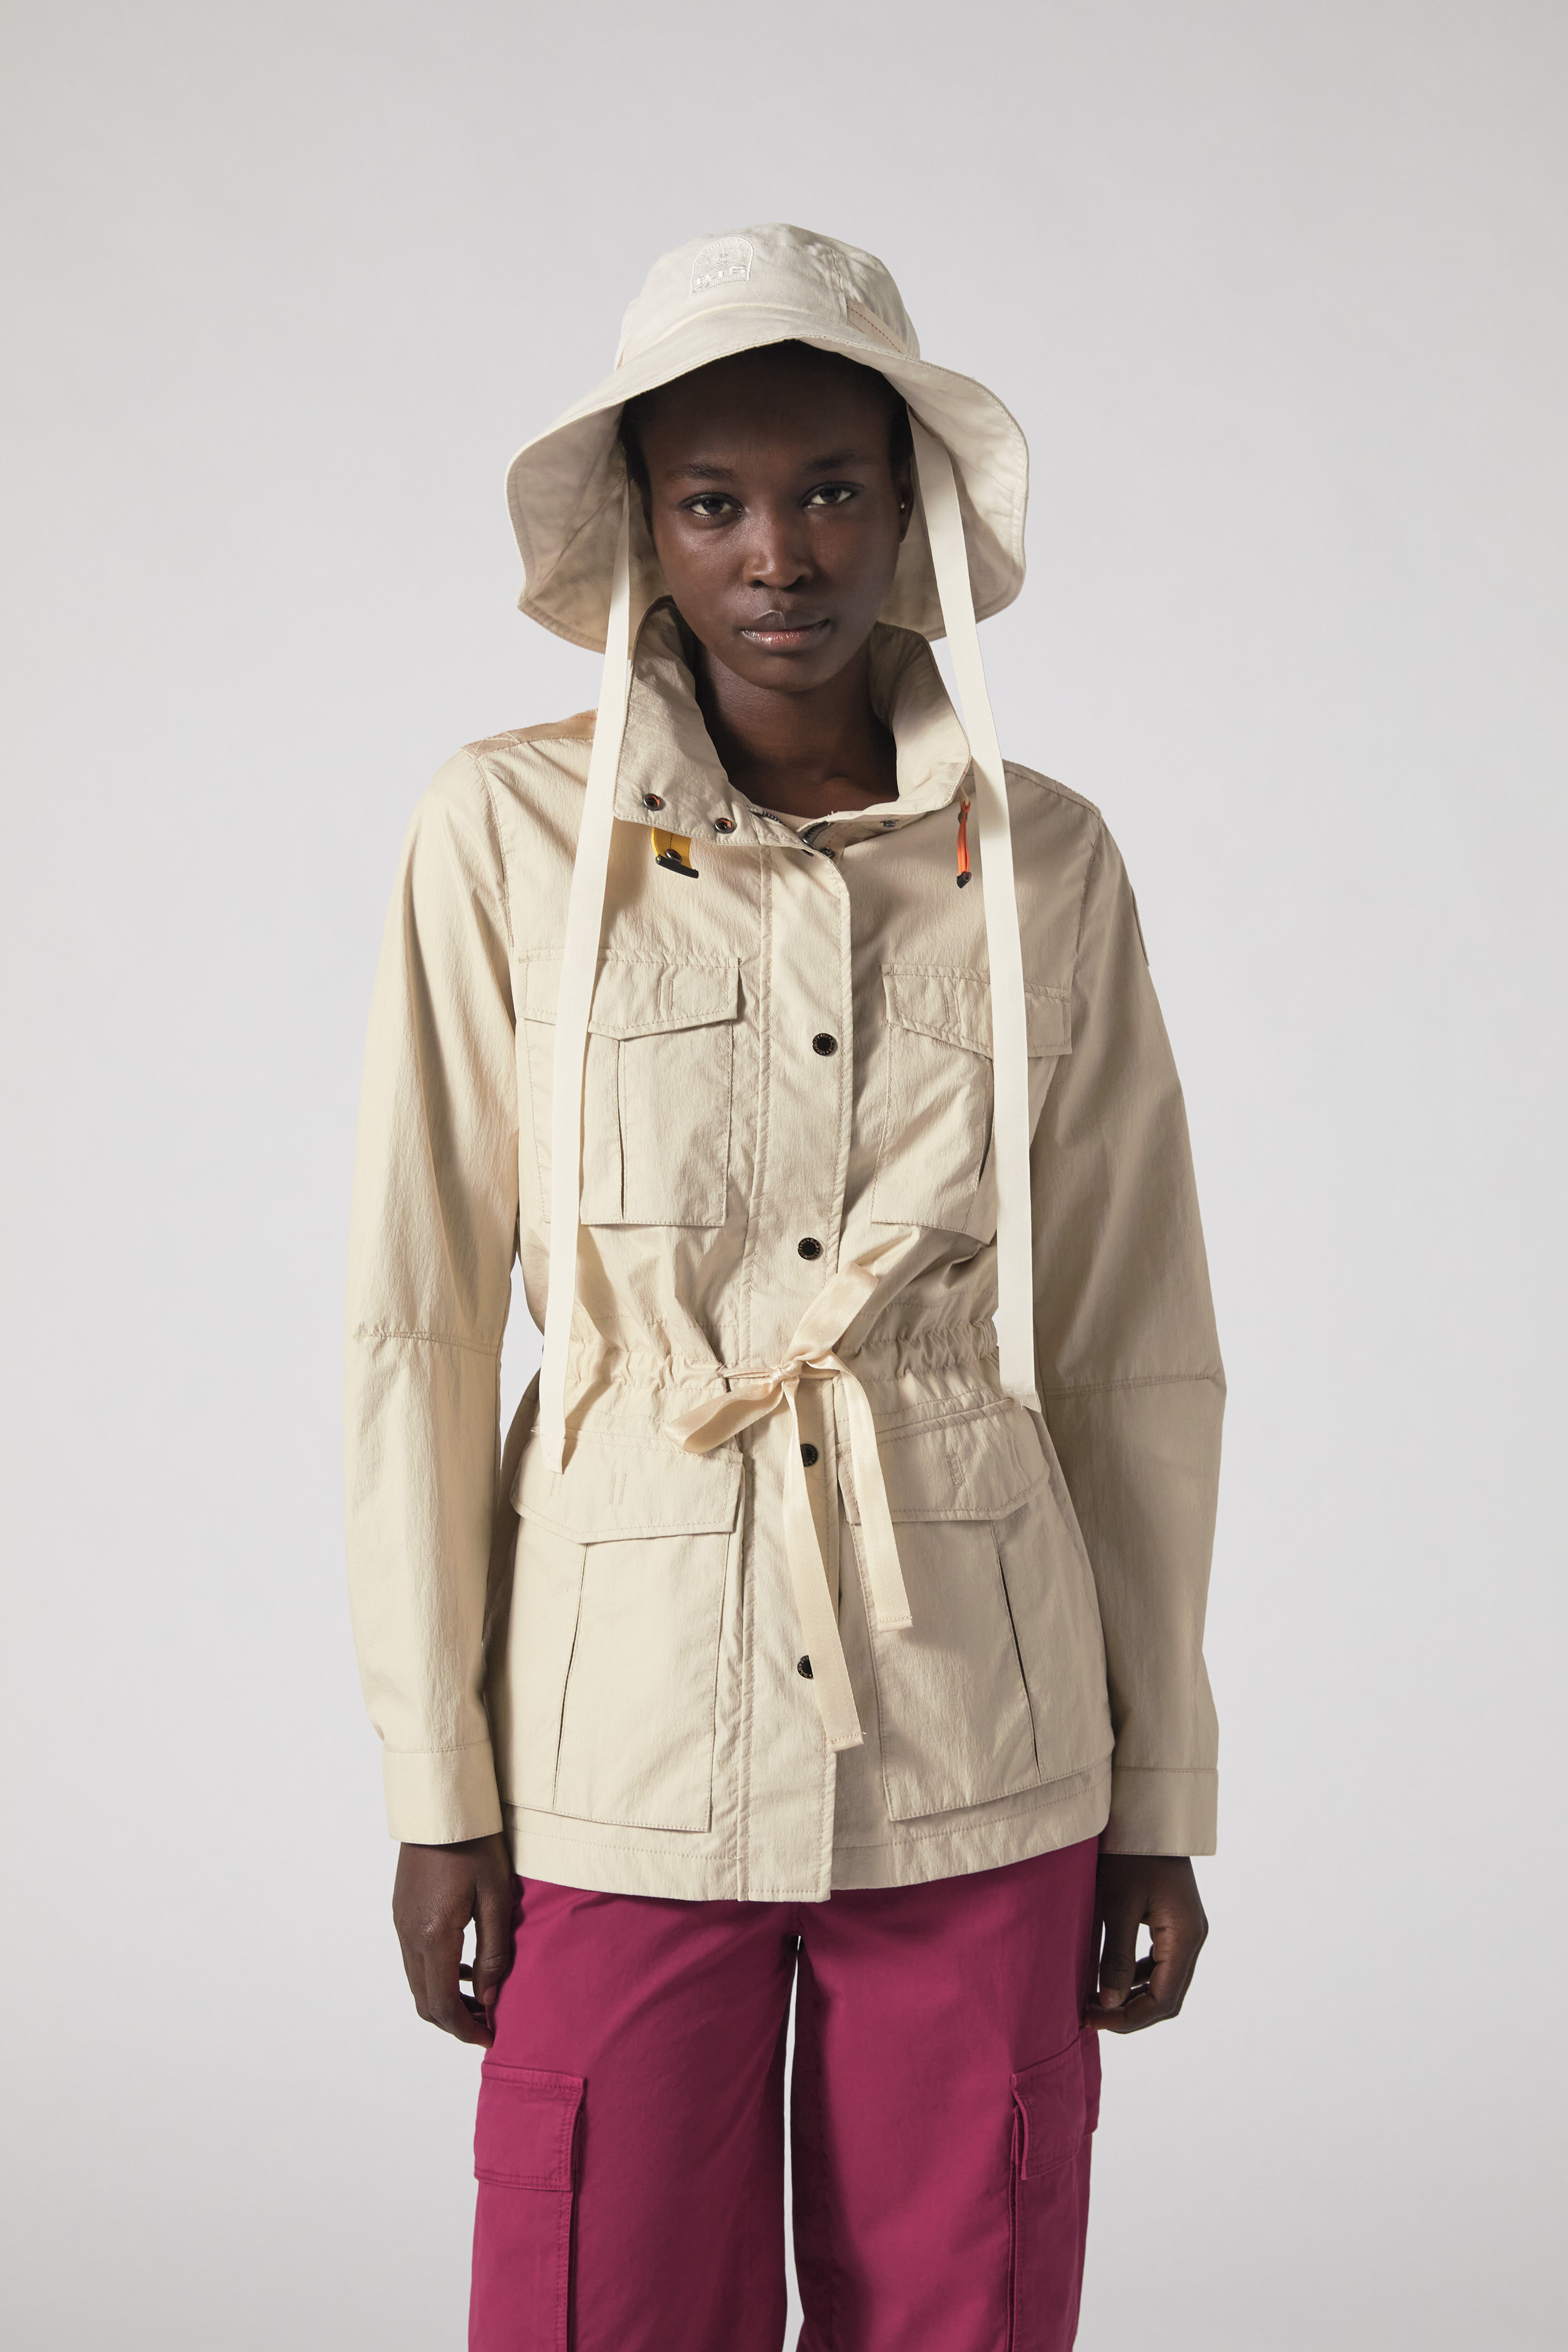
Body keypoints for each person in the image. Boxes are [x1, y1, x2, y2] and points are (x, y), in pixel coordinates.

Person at [344, 224, 1224, 2352]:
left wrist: (1162, 1794)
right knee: (603, 2299)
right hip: (620, 1719)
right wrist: (438, 1784)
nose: (778, 555)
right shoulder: (503, 834)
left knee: (967, 2301)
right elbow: (419, 1325)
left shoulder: (1044, 861)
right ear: (643, 526)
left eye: (830, 488)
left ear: (906, 507)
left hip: (984, 1712)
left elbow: (1136, 1345)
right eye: (714, 501)